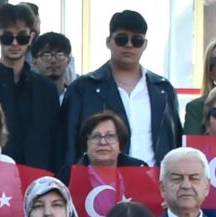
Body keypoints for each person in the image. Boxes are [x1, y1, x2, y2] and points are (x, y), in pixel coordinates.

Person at [63, 11, 181, 171]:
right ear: (108, 42)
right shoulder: (83, 88)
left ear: (145, 45)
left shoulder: (163, 89)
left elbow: (175, 142)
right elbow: (68, 145)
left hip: (155, 183)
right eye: (122, 39)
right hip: (101, 184)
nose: (129, 45)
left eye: (137, 40)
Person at [0, 4, 65, 168]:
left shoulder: (46, 89)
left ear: (31, 37)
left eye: (21, 37)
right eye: (7, 37)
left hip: (39, 181)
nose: (15, 43)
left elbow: (56, 142)